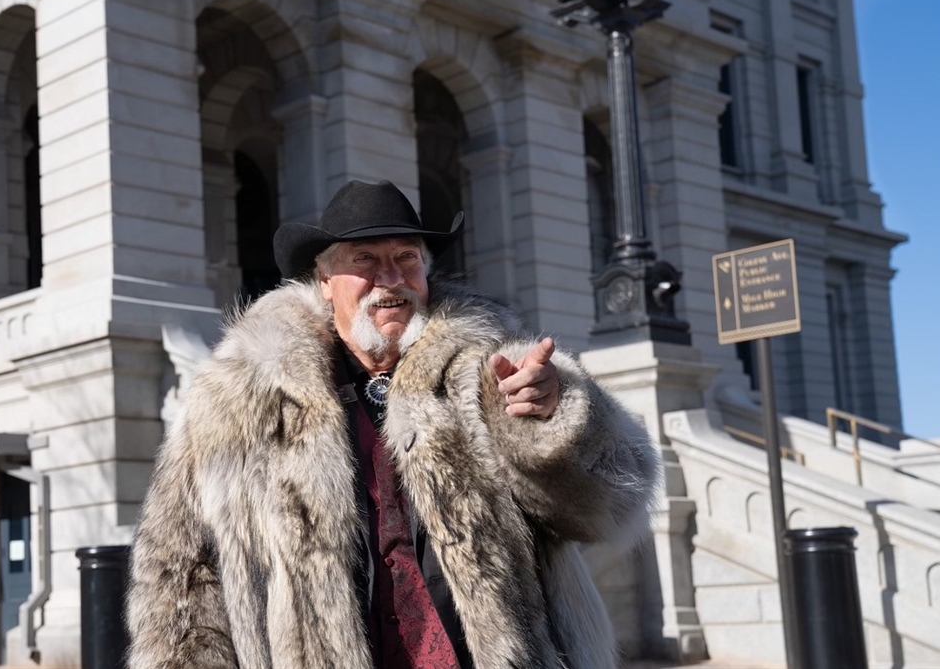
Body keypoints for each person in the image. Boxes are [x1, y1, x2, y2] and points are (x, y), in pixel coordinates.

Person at [127, 180, 659, 669]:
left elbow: (611, 510)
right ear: (324, 279)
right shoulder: (239, 399)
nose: (391, 278)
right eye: (366, 260)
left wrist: (553, 418)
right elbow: (180, 576)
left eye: (407, 258)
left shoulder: (489, 372)